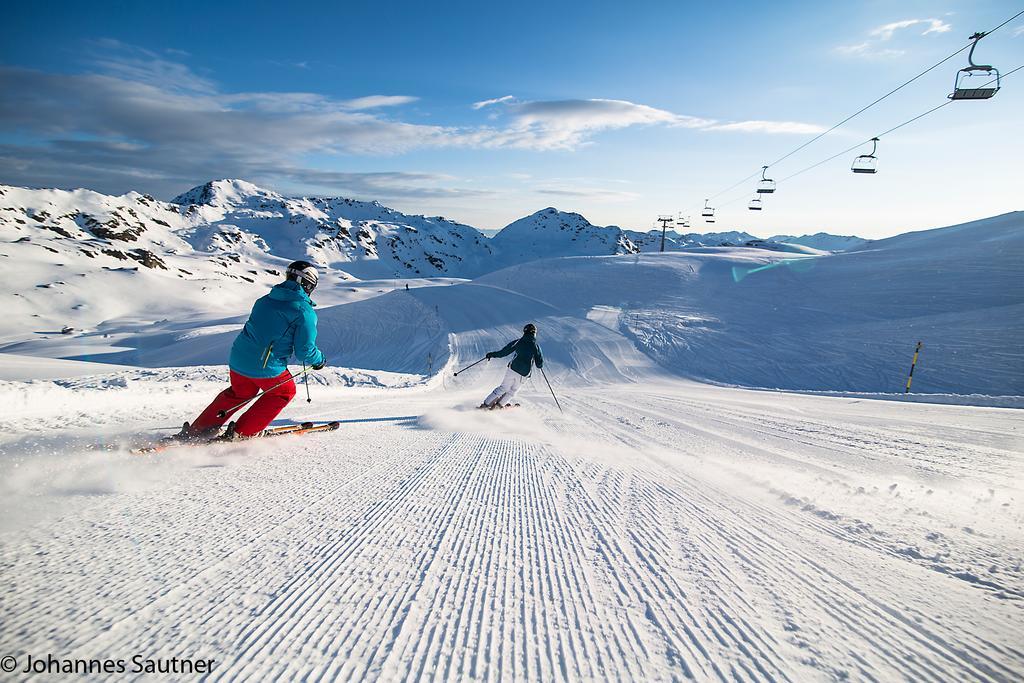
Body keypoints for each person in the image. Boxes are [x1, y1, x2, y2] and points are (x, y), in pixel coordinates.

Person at [183, 260, 326, 440]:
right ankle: (242, 433)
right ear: (307, 284)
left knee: (240, 393)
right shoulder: (304, 312)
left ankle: (199, 429)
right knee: (283, 392)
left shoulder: (265, 300)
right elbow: (304, 350)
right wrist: (319, 360)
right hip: (265, 365)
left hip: (239, 358)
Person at [480, 323, 543, 409]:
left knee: (503, 388)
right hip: (523, 374)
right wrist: (539, 362)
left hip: (512, 369)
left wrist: (492, 354)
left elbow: (504, 352)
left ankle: (485, 404)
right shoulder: (536, 346)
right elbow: (539, 364)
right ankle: (499, 406)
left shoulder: (518, 342)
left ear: (524, 332)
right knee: (512, 391)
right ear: (534, 333)